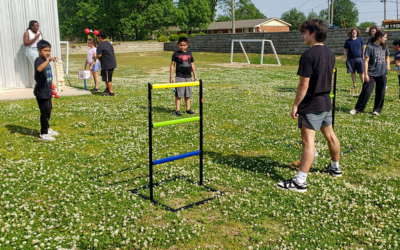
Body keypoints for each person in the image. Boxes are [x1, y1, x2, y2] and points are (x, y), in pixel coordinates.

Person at [277, 19, 341, 193]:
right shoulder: (330, 53)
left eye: (304, 32)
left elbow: (303, 85)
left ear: (313, 33)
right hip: (326, 102)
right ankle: (335, 167)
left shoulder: (308, 55)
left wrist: (296, 105)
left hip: (312, 104)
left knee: (308, 143)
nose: (302, 36)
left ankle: (300, 182)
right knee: (331, 136)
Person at [350, 30, 390, 116]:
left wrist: (388, 65)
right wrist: (366, 74)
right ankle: (358, 108)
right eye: (385, 37)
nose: (386, 39)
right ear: (379, 37)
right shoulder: (370, 47)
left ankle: (377, 110)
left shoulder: (385, 47)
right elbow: (366, 62)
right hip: (371, 73)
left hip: (382, 72)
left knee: (381, 92)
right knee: (366, 91)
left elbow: (387, 57)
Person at [33, 40, 59, 141]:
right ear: (39, 50)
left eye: (49, 50)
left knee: (48, 110)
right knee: (44, 112)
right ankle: (43, 133)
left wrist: (51, 83)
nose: (48, 52)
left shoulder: (45, 60)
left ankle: (47, 128)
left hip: (47, 89)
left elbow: (47, 74)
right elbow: (39, 69)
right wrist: (48, 60)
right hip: (41, 91)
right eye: (45, 50)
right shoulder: (39, 60)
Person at [170, 37, 198, 116]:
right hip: (179, 76)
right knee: (179, 94)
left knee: (188, 94)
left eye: (184, 45)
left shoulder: (189, 53)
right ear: (178, 45)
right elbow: (172, 65)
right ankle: (177, 110)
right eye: (180, 45)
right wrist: (171, 77)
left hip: (188, 76)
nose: (182, 47)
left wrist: (195, 76)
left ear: (187, 45)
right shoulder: (175, 54)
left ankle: (188, 109)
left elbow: (192, 64)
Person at [93, 31, 117, 96]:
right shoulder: (109, 43)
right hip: (112, 62)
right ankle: (107, 89)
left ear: (100, 37)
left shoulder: (100, 45)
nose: (97, 39)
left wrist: (94, 57)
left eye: (98, 37)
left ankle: (111, 92)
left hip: (107, 64)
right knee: (105, 77)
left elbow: (99, 55)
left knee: (107, 79)